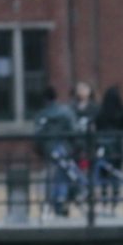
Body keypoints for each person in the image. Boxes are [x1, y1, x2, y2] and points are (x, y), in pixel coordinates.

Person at [34, 85, 77, 217]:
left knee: (50, 178)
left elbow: (37, 136)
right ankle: (62, 202)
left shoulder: (41, 115)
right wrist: (73, 147)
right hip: (65, 149)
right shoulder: (66, 113)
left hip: (49, 150)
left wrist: (41, 150)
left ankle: (51, 203)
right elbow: (74, 131)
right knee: (64, 177)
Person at [94, 85, 123, 211]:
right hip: (117, 145)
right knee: (116, 172)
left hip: (103, 144)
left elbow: (96, 126)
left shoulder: (100, 112)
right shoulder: (121, 112)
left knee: (104, 174)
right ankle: (115, 199)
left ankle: (104, 199)